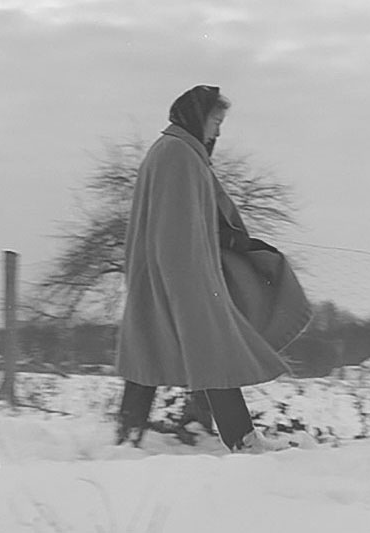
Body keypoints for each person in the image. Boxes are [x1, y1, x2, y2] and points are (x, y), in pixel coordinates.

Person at [115, 85, 311, 453]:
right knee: (212, 350)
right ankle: (240, 440)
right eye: (216, 121)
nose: (218, 131)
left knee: (153, 352)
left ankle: (127, 440)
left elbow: (190, 218)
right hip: (182, 274)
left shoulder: (174, 152)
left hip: (166, 272)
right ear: (197, 117)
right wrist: (193, 282)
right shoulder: (178, 155)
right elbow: (176, 229)